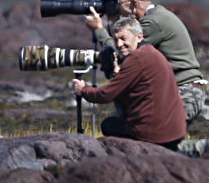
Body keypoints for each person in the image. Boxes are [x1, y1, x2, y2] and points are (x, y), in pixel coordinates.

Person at [86, 0, 207, 123]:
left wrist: (98, 30)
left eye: (120, 2)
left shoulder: (152, 23)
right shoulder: (157, 15)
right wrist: (114, 23)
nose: (117, 7)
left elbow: (122, 55)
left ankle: (207, 146)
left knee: (146, 131)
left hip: (184, 93)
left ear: (134, 3)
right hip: (177, 89)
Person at [71, 17, 186, 151]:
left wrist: (83, 89)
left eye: (123, 38)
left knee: (108, 125)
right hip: (174, 132)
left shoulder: (136, 58)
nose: (119, 44)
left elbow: (106, 95)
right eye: (116, 40)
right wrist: (117, 71)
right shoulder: (151, 52)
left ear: (138, 36)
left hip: (154, 136)